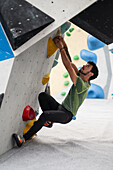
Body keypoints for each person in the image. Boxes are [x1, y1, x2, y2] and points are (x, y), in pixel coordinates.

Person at [12, 36, 99, 147]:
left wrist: (61, 48)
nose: (84, 66)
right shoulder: (81, 77)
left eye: (87, 67)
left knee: (44, 115)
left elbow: (68, 67)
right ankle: (49, 122)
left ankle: (23, 139)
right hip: (60, 108)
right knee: (43, 96)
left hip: (66, 115)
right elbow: (71, 62)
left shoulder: (82, 85)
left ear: (90, 74)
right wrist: (63, 43)